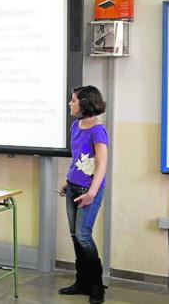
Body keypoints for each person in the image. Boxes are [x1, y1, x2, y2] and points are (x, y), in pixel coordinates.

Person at [58, 85, 108, 304]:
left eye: (73, 100)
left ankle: (97, 285)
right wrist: (67, 181)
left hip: (90, 190)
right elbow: (78, 158)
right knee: (75, 236)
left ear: (85, 103)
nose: (70, 103)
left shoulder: (98, 130)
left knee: (83, 236)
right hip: (73, 186)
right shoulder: (75, 126)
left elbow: (102, 164)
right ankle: (82, 283)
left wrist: (92, 192)